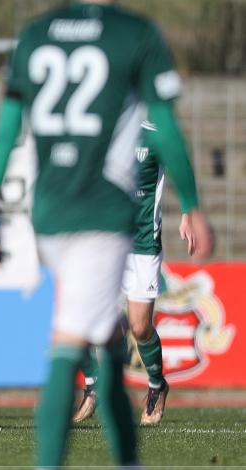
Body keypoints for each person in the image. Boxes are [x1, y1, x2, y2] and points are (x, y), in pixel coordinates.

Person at [0, 0, 213, 470]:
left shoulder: (34, 33)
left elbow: (6, 133)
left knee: (106, 343)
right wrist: (197, 203)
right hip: (105, 213)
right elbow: (170, 134)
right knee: (70, 343)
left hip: (50, 209)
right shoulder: (136, 34)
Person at [73, 122, 196, 426]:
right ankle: (92, 384)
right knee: (81, 309)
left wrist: (188, 212)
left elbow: (181, 165)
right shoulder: (103, 122)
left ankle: (157, 384)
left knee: (140, 328)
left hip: (143, 243)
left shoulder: (154, 129)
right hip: (106, 237)